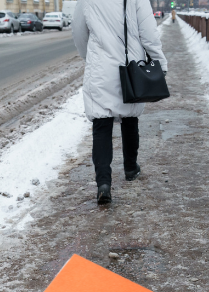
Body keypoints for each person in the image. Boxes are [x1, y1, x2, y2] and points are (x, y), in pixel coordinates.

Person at [73, 0, 168, 204]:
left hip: (100, 68)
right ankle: (131, 168)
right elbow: (149, 33)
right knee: (130, 118)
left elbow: (79, 33)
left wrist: (88, 56)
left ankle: (104, 184)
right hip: (131, 67)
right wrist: (160, 62)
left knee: (101, 124)